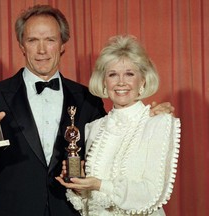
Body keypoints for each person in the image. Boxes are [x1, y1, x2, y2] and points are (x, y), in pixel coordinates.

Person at [0, 5, 174, 216]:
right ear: (22, 45)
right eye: (32, 40)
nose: (41, 50)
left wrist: (149, 115)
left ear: (62, 45)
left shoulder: (88, 99)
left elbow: (114, 148)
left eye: (50, 40)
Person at [56, 35, 181, 216]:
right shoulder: (94, 128)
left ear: (143, 80)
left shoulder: (159, 122)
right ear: (104, 82)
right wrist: (80, 186)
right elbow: (91, 204)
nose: (121, 82)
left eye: (129, 74)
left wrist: (99, 184)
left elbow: (151, 193)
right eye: (112, 74)